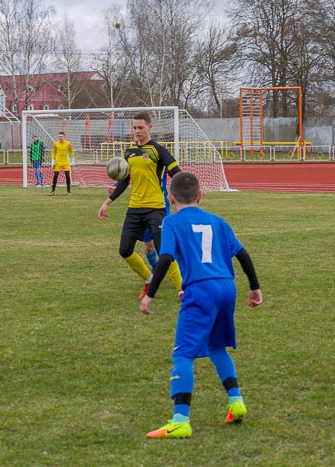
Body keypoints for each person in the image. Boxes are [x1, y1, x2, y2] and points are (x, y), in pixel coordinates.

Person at [140, 171, 263, 439]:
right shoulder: (218, 221)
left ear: (171, 198)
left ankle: (180, 420)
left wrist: (150, 292)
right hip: (226, 287)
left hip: (200, 289)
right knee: (216, 346)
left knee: (183, 353)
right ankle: (236, 402)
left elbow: (166, 258)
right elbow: (242, 254)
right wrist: (254, 286)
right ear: (200, 196)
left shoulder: (172, 222)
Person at [98, 111, 183, 298]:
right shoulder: (129, 153)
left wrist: (186, 191)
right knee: (125, 250)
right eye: (134, 127)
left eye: (140, 128)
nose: (137, 131)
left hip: (156, 207)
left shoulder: (158, 150)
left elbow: (176, 172)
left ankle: (182, 290)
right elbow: (124, 181)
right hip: (134, 208)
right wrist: (107, 202)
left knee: (164, 250)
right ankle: (149, 278)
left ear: (149, 127)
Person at [50, 131, 74, 195]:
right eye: (59, 136)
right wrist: (52, 160)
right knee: (55, 176)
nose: (60, 137)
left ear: (64, 136)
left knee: (67, 176)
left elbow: (71, 151)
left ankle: (68, 191)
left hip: (66, 162)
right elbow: (53, 152)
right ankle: (52, 191)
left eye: (61, 136)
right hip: (58, 162)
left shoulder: (68, 143)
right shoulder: (56, 144)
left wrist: (72, 160)